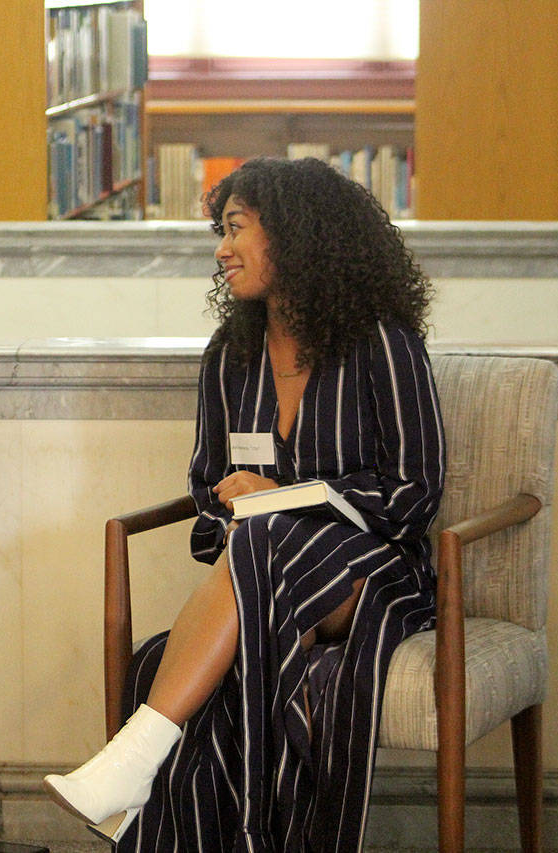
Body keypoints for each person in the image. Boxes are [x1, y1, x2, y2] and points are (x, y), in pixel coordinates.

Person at [44, 157, 444, 852]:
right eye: (218, 230)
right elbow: (207, 496)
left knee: (261, 543)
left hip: (375, 577)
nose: (220, 249)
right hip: (261, 577)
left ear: (294, 235)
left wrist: (286, 501)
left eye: (235, 228)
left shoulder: (382, 340)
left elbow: (415, 490)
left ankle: (135, 758)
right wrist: (239, 507)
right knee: (159, 653)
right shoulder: (231, 354)